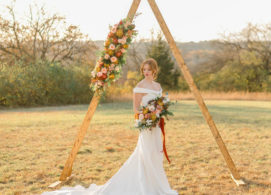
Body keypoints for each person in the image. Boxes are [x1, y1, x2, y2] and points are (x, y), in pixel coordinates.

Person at [41, 58, 178, 195]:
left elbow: (160, 105)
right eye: (144, 69)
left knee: (155, 154)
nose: (146, 72)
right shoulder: (139, 86)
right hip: (146, 126)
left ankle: (156, 186)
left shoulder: (158, 86)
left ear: (154, 70)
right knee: (145, 154)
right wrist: (148, 116)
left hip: (156, 127)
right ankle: (143, 186)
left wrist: (158, 113)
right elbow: (136, 109)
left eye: (149, 69)